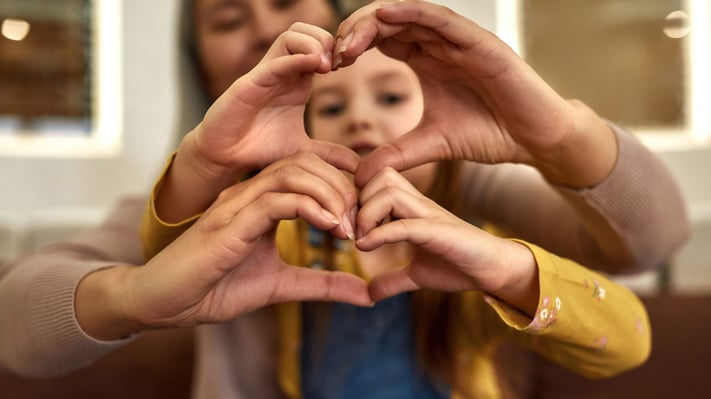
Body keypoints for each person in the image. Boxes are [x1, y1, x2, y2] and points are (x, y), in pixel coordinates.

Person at [0, 0, 689, 396]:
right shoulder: (194, 201)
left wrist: (557, 134)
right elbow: (18, 332)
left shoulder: (458, 186)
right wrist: (138, 293)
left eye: (286, 2)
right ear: (200, 60)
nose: (264, 28)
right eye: (227, 16)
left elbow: (647, 248)